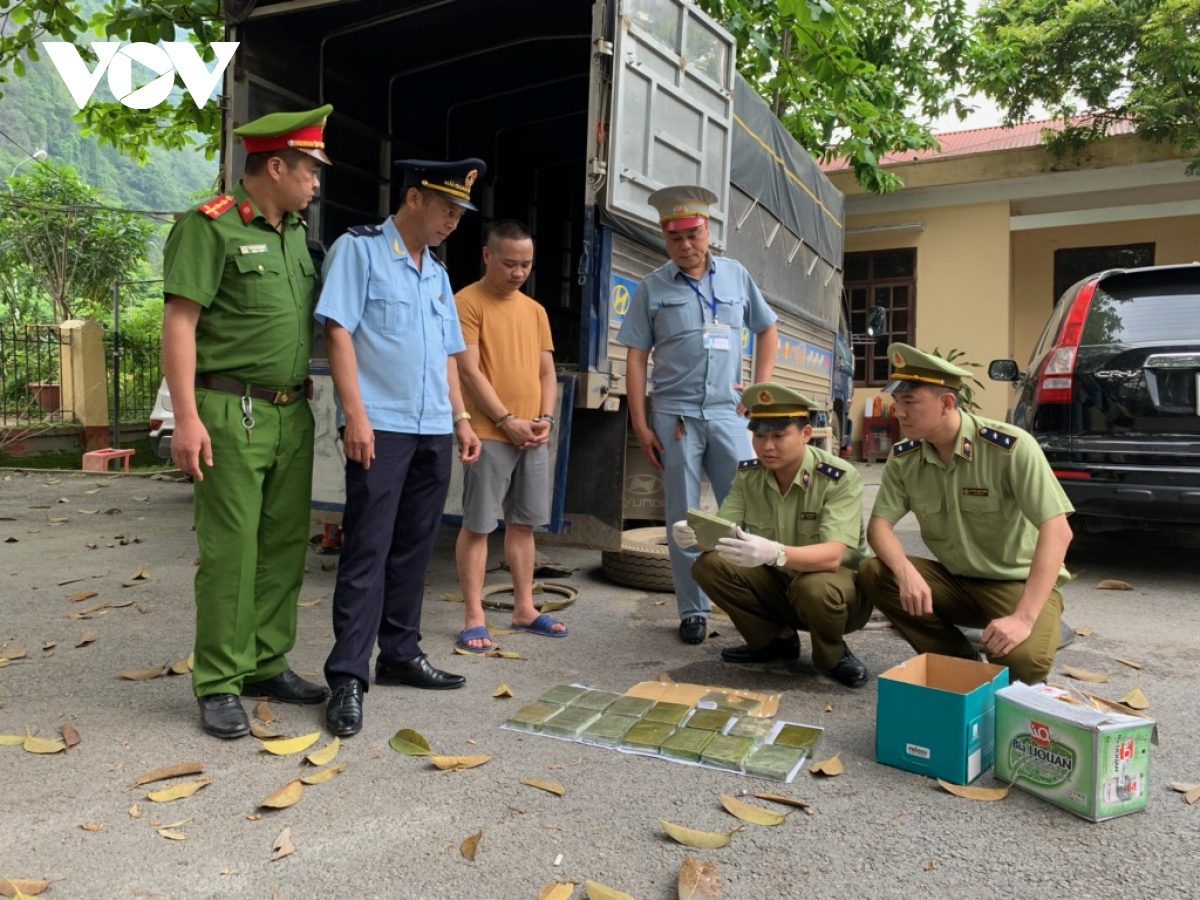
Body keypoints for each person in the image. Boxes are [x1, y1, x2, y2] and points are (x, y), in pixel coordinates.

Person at [161, 105, 334, 739]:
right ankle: (218, 680)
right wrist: (185, 417)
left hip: (290, 411)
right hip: (229, 411)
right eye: (310, 169)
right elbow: (180, 322)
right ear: (276, 165)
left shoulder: (294, 234)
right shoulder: (209, 228)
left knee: (285, 548)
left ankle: (265, 661)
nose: (317, 181)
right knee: (231, 551)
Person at [318, 159, 485, 737]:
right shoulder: (358, 250)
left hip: (433, 427)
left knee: (414, 546)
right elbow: (338, 330)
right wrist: (354, 417)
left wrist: (460, 418)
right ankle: (346, 676)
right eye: (447, 209)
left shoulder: (437, 273)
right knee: (367, 547)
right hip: (380, 426)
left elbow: (446, 355)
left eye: (460, 213)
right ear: (413, 198)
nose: (453, 222)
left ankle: (400, 653)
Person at [616, 185, 779, 645]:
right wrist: (641, 422)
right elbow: (635, 357)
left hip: (729, 415)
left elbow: (767, 329)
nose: (686, 246)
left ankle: (754, 604)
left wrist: (760, 389)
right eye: (675, 238)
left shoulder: (735, 276)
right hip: (676, 416)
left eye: (693, 234)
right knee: (683, 518)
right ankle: (692, 611)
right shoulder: (652, 288)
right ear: (664, 239)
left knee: (746, 510)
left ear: (708, 229)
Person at [857, 344, 1074, 685]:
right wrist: (906, 573)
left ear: (946, 403)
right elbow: (879, 527)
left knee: (1024, 663)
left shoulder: (1010, 448)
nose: (899, 412)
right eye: (897, 402)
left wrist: (1023, 618)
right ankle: (960, 661)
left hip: (1013, 582)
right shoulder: (905, 458)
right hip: (955, 582)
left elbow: (1058, 530)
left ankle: (1027, 630)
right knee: (875, 571)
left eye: (909, 402)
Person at [676, 384, 874, 687]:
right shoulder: (749, 475)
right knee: (709, 565)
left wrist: (776, 552)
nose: (767, 446)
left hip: (838, 591)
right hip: (782, 582)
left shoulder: (837, 477)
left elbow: (834, 556)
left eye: (779, 436)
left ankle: (833, 655)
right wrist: (694, 535)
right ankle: (775, 642)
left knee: (814, 586)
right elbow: (721, 533)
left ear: (806, 434)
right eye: (759, 435)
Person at [452, 220, 564, 652]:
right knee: (479, 525)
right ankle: (474, 616)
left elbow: (546, 372)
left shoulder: (535, 310)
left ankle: (524, 608)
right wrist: (505, 421)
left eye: (526, 264)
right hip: (489, 433)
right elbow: (468, 369)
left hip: (532, 434)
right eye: (509, 263)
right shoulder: (467, 302)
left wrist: (546, 420)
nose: (518, 272)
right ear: (486, 255)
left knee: (523, 524)